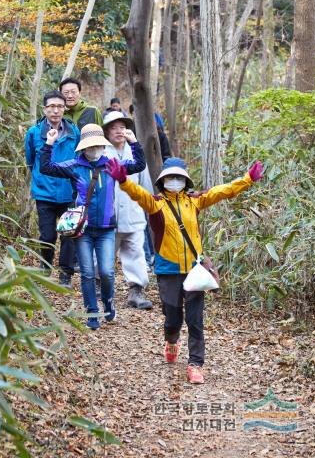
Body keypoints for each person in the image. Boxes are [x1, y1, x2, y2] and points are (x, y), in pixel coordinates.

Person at [105, 156, 264, 383]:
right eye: (170, 177)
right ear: (163, 180)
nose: (175, 181)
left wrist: (247, 179)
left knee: (195, 319)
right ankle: (171, 340)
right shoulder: (156, 203)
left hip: (193, 271)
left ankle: (195, 364)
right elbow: (138, 194)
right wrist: (123, 181)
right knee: (172, 318)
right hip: (167, 270)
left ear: (185, 180)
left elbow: (222, 191)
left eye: (179, 177)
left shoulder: (194, 201)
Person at [40, 123, 146, 330]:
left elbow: (138, 164)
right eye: (90, 146)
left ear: (102, 145)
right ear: (83, 147)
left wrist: (133, 142)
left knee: (106, 271)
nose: (94, 149)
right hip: (83, 229)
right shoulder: (74, 166)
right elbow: (46, 167)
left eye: (97, 145)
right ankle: (91, 312)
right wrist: (49, 143)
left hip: (107, 228)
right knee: (88, 272)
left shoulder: (112, 164)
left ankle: (107, 302)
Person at [25, 90, 80, 287]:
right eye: (51, 107)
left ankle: (66, 273)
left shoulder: (74, 132)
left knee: (68, 234)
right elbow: (31, 160)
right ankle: (45, 267)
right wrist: (40, 179)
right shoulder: (34, 133)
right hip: (44, 192)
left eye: (59, 106)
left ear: (65, 108)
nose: (55, 111)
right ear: (45, 109)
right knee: (47, 235)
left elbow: (80, 159)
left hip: (68, 192)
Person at [102, 111, 153, 310]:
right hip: (107, 214)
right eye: (113, 128)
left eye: (121, 127)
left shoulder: (135, 151)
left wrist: (150, 203)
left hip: (133, 212)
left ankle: (136, 290)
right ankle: (100, 288)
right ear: (106, 131)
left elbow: (144, 179)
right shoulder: (100, 151)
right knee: (103, 255)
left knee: (135, 253)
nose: (118, 131)